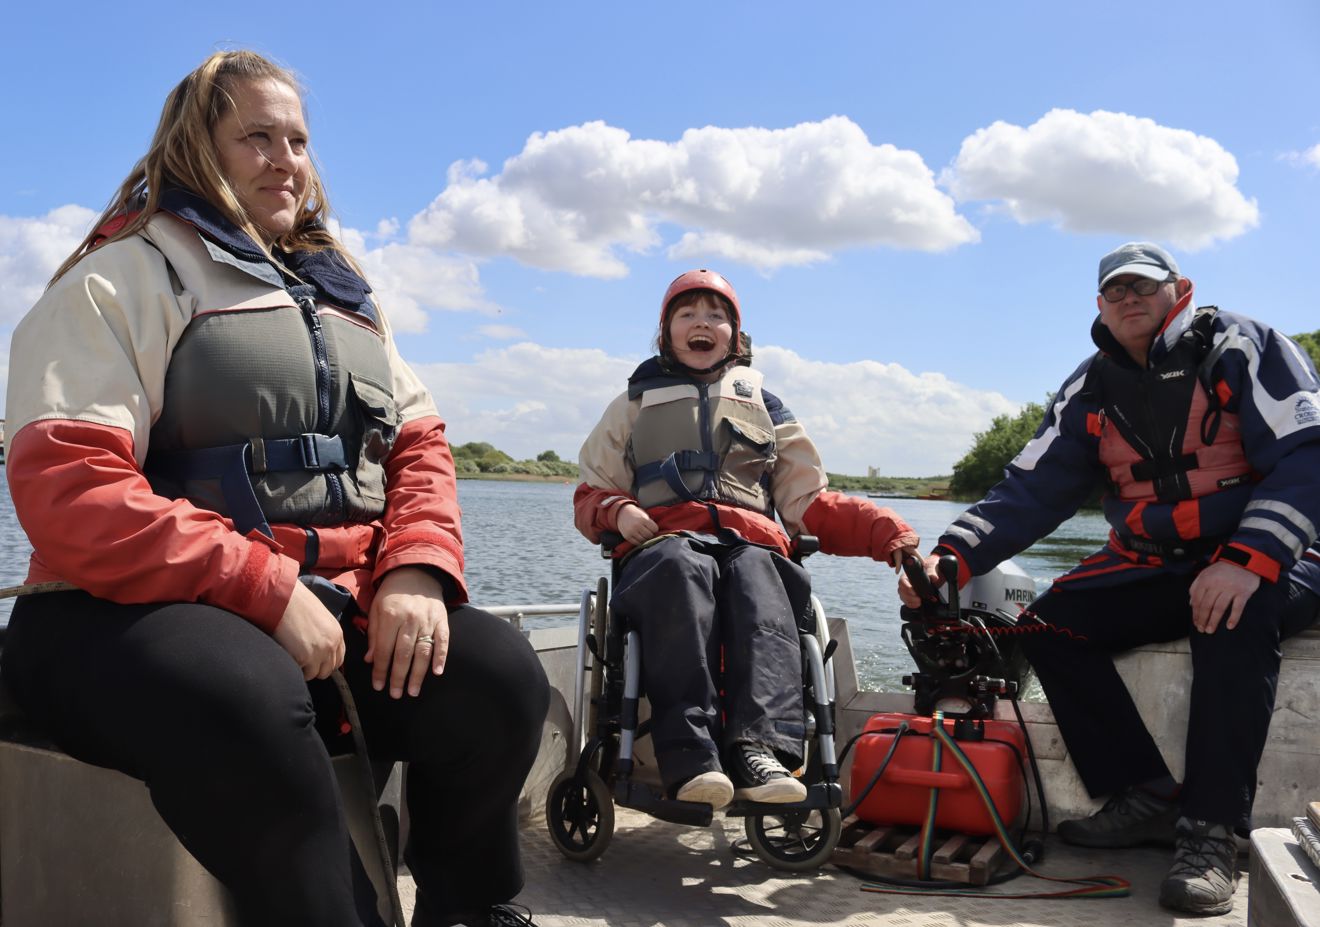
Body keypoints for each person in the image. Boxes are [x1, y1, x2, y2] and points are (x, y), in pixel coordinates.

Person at [1, 51, 548, 927]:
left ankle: (467, 909)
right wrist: (261, 587)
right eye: (256, 136)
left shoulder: (346, 298)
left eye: (297, 138)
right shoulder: (123, 278)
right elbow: (72, 488)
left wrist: (414, 568)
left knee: (498, 675)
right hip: (108, 616)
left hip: (324, 605)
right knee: (244, 696)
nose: (286, 158)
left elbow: (420, 447)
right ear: (194, 146)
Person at [898, 242, 1320, 916]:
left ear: (1177, 288)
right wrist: (951, 559)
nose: (1129, 299)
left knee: (1230, 614)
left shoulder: (1246, 346)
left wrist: (1247, 559)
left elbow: (1308, 456)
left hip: (1277, 557)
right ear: (1100, 305)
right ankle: (1146, 795)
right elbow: (1031, 489)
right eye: (1115, 290)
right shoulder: (1089, 386)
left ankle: (1211, 834)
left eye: (1143, 287)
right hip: (1159, 562)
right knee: (1048, 624)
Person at [575, 269, 918, 809]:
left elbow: (809, 503)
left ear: (736, 334)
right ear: (666, 332)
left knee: (761, 578)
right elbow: (591, 492)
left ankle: (760, 752)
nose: (702, 323)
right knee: (682, 570)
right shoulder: (631, 406)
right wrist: (617, 512)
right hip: (663, 549)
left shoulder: (768, 409)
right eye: (687, 314)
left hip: (750, 545)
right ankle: (691, 759)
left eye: (716, 314)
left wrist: (888, 534)